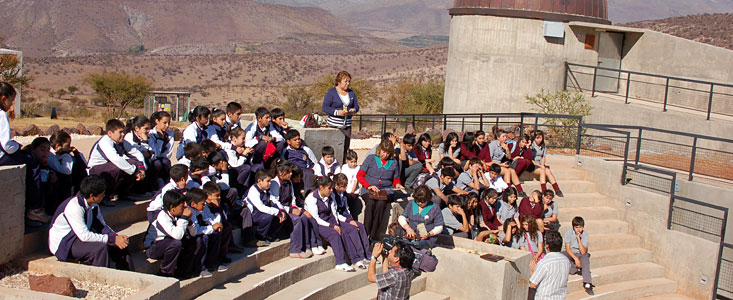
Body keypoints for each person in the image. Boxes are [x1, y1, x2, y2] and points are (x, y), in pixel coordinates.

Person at [48, 175, 133, 270]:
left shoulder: (94, 205)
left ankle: (129, 274)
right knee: (100, 249)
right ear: (92, 196)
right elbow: (84, 236)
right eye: (102, 193)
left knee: (121, 245)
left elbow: (101, 226)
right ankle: (102, 278)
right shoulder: (74, 207)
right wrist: (111, 239)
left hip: (79, 238)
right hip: (66, 243)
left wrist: (115, 237)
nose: (104, 195)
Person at [144, 190, 202, 279]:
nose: (184, 209)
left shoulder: (177, 214)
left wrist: (189, 221)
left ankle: (183, 271)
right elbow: (177, 235)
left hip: (169, 243)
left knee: (195, 240)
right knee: (176, 243)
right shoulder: (162, 216)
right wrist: (184, 218)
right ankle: (165, 273)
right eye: (181, 207)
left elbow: (193, 233)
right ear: (172, 207)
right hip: (154, 247)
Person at [87, 119, 147, 206]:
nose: (123, 134)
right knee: (117, 167)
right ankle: (105, 197)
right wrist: (135, 172)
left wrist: (141, 168)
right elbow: (116, 160)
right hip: (96, 171)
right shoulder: (105, 142)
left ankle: (123, 194)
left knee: (133, 162)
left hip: (110, 167)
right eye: (120, 132)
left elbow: (136, 153)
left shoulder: (121, 142)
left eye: (123, 132)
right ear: (110, 133)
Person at [304, 176, 355, 272]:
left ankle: (355, 258)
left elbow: (334, 211)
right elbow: (316, 218)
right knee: (334, 234)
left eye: (332, 188)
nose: (331, 190)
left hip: (329, 222)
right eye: (329, 188)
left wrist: (336, 224)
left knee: (343, 231)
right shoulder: (312, 198)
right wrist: (332, 226)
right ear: (321, 188)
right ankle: (340, 262)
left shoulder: (330, 196)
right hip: (317, 225)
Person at [357, 139, 405, 240]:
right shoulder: (371, 159)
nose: (385, 155)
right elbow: (360, 175)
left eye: (388, 153)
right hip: (369, 189)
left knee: (381, 204)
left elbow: (396, 180)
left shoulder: (393, 163)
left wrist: (398, 185)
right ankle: (365, 233)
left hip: (385, 191)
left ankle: (374, 235)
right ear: (379, 150)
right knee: (370, 203)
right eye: (384, 152)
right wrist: (368, 185)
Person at [270, 162, 321, 258]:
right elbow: (275, 201)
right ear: (281, 173)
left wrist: (296, 208)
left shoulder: (289, 182)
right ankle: (295, 249)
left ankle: (307, 246)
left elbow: (292, 199)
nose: (291, 174)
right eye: (288, 172)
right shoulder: (275, 183)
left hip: (289, 208)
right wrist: (289, 210)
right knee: (297, 220)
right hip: (280, 211)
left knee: (305, 217)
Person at [186, 188, 228, 277]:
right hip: (191, 237)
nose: (204, 205)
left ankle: (213, 262)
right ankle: (200, 267)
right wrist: (212, 228)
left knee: (216, 233)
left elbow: (209, 218)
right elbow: (195, 231)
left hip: (201, 230)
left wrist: (216, 225)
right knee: (203, 238)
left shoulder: (202, 209)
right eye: (202, 204)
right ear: (193, 204)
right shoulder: (190, 212)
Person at [322, 71, 359, 159]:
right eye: (345, 81)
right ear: (339, 81)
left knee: (345, 147)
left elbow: (356, 106)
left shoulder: (351, 93)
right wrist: (337, 112)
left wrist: (353, 110)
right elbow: (325, 107)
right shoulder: (331, 92)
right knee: (333, 148)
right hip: (335, 125)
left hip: (347, 126)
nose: (348, 83)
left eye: (349, 81)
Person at [529, 230, 570, 300]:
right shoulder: (566, 261)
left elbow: (533, 284)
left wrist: (533, 271)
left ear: (547, 246)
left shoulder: (544, 263)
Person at [563, 216, 594, 295]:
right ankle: (576, 269)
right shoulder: (568, 232)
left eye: (580, 227)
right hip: (570, 253)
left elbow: (583, 252)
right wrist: (575, 259)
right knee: (562, 257)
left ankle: (587, 283)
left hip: (579, 253)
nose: (578, 229)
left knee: (586, 257)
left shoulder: (585, 235)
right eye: (576, 227)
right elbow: (567, 248)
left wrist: (579, 238)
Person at [282, 129, 318, 194]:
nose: (298, 141)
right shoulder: (286, 151)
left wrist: (312, 170)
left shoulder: (306, 150)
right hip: (293, 171)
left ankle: (309, 194)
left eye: (299, 139)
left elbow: (315, 163)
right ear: (288, 141)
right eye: (295, 140)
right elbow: (283, 164)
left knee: (308, 173)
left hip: (305, 171)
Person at [531, 131, 564, 197]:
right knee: (542, 171)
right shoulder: (532, 146)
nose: (539, 140)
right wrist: (540, 166)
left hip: (541, 164)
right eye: (537, 138)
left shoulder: (543, 145)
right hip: (534, 165)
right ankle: (544, 191)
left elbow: (543, 157)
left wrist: (542, 164)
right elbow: (530, 159)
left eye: (540, 138)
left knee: (548, 170)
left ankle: (557, 189)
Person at [149, 111, 174, 187]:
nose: (167, 125)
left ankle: (166, 183)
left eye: (168, 123)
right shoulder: (151, 134)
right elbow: (155, 153)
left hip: (163, 157)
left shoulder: (170, 134)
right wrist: (160, 139)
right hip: (154, 158)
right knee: (157, 164)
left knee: (166, 162)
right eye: (164, 122)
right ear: (157, 121)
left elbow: (169, 152)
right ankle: (153, 185)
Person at [338, 150, 363, 219]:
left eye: (355, 162)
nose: (353, 164)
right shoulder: (344, 167)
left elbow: (355, 181)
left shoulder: (357, 168)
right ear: (347, 161)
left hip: (353, 191)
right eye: (351, 162)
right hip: (345, 190)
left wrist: (352, 192)